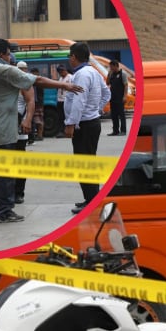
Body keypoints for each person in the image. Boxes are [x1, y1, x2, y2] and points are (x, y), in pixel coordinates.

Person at [0, 39, 82, 223]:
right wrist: (64, 85)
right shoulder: (5, 70)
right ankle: (4, 211)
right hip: (4, 131)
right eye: (8, 54)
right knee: (6, 173)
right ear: (3, 54)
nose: (9, 57)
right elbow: (37, 80)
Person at [64, 41, 110, 213]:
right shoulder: (93, 72)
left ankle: (91, 202)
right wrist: (96, 110)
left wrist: (71, 124)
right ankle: (91, 199)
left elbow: (79, 101)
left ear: (74, 57)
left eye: (70, 56)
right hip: (91, 123)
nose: (70, 59)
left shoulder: (82, 74)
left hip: (83, 125)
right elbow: (107, 93)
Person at [14, 60, 33, 205]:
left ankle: (19, 193)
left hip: (19, 125)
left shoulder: (25, 84)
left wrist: (27, 121)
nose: (22, 71)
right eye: (19, 69)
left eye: (23, 69)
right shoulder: (10, 83)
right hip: (6, 125)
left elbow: (30, 103)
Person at [108, 60, 128, 136]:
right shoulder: (111, 74)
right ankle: (115, 130)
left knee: (121, 114)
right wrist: (109, 74)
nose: (110, 68)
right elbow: (107, 83)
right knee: (114, 115)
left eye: (111, 66)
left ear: (116, 66)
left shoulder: (122, 74)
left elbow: (126, 85)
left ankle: (123, 131)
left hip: (120, 97)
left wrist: (125, 96)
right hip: (113, 97)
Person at [54, 64, 72, 138]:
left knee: (66, 116)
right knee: (60, 117)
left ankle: (65, 131)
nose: (61, 72)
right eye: (59, 71)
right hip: (60, 100)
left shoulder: (70, 77)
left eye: (62, 71)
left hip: (66, 100)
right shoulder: (60, 78)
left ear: (65, 70)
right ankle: (61, 131)